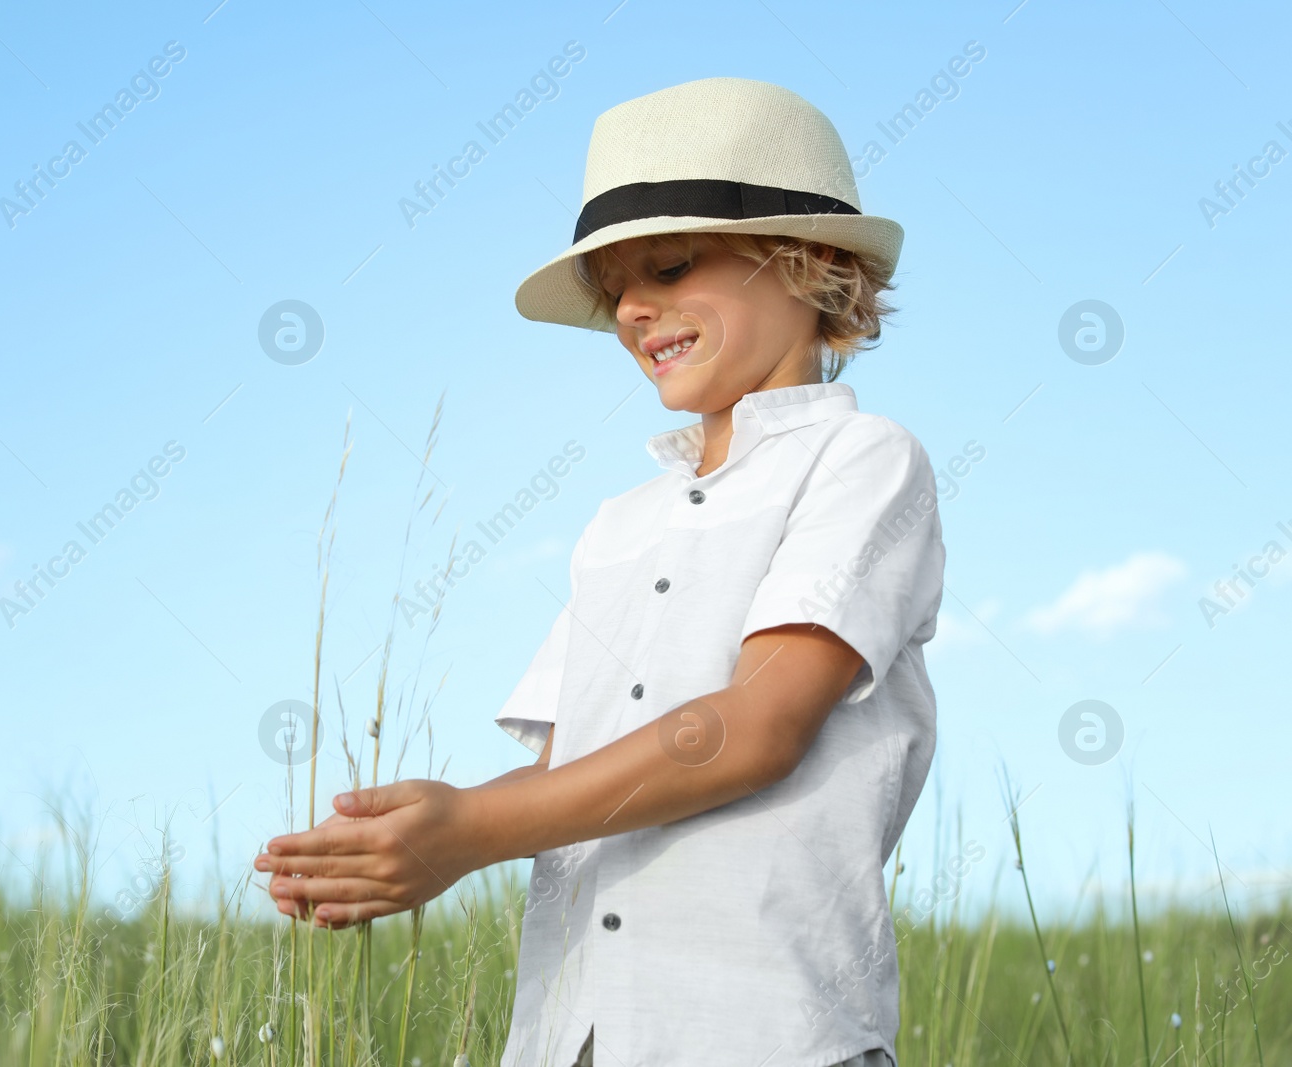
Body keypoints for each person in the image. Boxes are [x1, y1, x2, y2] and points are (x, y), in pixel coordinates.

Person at [254, 77, 945, 1067]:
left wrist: (469, 829)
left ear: (812, 263)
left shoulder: (864, 461)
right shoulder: (620, 523)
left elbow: (755, 726)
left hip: (763, 1029)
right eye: (613, 285)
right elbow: (568, 765)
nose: (630, 308)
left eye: (667, 264)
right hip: (575, 1029)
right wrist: (413, 835)